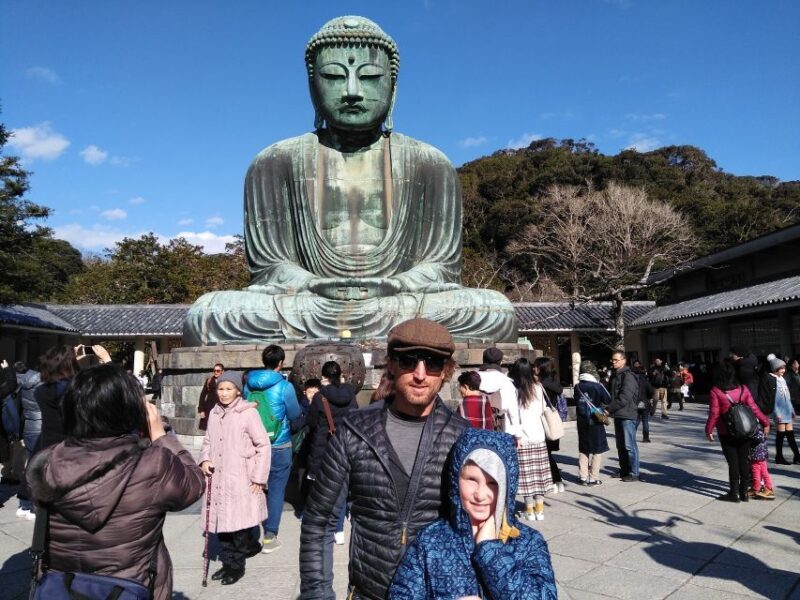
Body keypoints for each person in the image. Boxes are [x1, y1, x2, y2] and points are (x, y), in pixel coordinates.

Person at [183, 15, 517, 346]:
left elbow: (440, 267)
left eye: (370, 77)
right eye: (334, 76)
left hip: (402, 299)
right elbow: (270, 267)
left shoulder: (429, 163)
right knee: (208, 314)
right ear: (313, 87)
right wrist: (312, 284)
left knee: (493, 310)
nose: (353, 92)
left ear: (393, 86)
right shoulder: (274, 161)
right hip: (309, 301)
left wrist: (397, 285)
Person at [299, 317, 468, 599]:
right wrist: (317, 593)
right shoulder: (355, 430)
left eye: (433, 363)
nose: (420, 374)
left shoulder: (461, 437)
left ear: (446, 371)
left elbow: (480, 527)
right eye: (409, 361)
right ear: (390, 363)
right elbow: (319, 519)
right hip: (370, 590)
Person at [28, 363, 205, 600]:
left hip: (63, 587)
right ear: (131, 410)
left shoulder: (45, 462)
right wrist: (161, 436)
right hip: (131, 586)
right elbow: (194, 484)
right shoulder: (153, 463)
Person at [388, 428, 558, 600]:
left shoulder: (528, 542)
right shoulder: (431, 540)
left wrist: (490, 551)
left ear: (508, 486)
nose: (480, 494)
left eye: (493, 483)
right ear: (455, 479)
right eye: (471, 480)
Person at [199, 371, 270, 585]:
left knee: (237, 526)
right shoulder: (214, 413)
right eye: (221, 388)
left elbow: (263, 445)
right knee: (222, 525)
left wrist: (258, 477)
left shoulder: (247, 413)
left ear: (238, 391)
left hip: (240, 476)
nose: (224, 393)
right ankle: (227, 562)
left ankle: (236, 566)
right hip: (219, 477)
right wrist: (205, 459)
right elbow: (208, 441)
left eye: (229, 389)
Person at [244, 344, 301, 553]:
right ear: (281, 363)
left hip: (254, 444)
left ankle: (249, 533)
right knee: (276, 490)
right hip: (279, 442)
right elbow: (294, 414)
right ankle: (269, 536)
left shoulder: (248, 384)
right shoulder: (285, 386)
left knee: (254, 488)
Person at [304, 360, 358, 545]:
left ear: (324, 376)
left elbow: (310, 422)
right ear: (341, 374)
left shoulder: (320, 397)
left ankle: (325, 526)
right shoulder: (351, 394)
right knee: (342, 488)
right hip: (345, 445)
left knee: (325, 489)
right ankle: (339, 530)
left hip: (324, 446)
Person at [705, 359, 769, 502]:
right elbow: (754, 408)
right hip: (745, 430)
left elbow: (714, 414)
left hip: (726, 432)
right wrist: (765, 422)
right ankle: (744, 492)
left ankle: (734, 493)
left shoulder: (716, 391)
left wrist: (708, 430)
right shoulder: (743, 389)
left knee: (732, 463)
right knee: (743, 461)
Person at [508, 357, 552, 521]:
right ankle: (539, 509)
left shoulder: (514, 390)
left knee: (526, 476)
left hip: (522, 438)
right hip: (538, 435)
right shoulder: (538, 387)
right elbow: (542, 409)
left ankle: (529, 509)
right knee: (539, 473)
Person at [573, 360, 611, 485]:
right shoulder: (597, 386)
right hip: (595, 421)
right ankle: (593, 477)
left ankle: (582, 477)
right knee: (597, 449)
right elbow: (608, 399)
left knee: (584, 449)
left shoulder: (577, 386)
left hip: (582, 421)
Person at [759, 355, 800, 464]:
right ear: (775, 368)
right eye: (781, 368)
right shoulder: (772, 379)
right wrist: (776, 412)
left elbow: (787, 396)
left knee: (790, 435)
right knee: (780, 435)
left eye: (784, 368)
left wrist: (791, 409)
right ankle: (779, 457)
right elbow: (773, 398)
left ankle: (797, 456)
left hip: (787, 410)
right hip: (779, 412)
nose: (784, 370)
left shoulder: (782, 379)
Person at [533, 356, 565, 493]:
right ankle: (557, 481)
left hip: (543, 421)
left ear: (541, 368)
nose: (533, 369)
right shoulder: (554, 382)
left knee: (545, 454)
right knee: (548, 453)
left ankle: (555, 480)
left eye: (536, 366)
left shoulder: (541, 385)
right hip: (552, 421)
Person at [608, 351, 641, 482]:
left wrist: (609, 409)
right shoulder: (616, 376)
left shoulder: (628, 376)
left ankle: (634, 473)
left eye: (616, 360)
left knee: (629, 445)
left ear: (623, 360)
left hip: (628, 414)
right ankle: (624, 470)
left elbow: (624, 397)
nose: (613, 362)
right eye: (612, 360)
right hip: (619, 414)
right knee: (621, 445)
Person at [14, 361, 40, 519]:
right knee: (40, 469)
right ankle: (33, 507)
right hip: (42, 428)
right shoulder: (42, 384)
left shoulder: (20, 383)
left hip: (29, 427)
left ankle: (24, 504)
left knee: (30, 465)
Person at [478, 347, 517, 434]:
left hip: (477, 428)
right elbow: (513, 411)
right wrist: (518, 435)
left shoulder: (474, 379)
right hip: (502, 429)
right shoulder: (506, 382)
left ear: (483, 360)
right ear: (500, 362)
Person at [748, 424, 775, 500]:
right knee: (764, 472)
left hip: (756, 456)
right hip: (762, 456)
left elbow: (757, 438)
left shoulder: (758, 431)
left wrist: (749, 437)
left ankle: (756, 488)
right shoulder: (764, 430)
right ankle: (768, 488)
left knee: (755, 472)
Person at [633, 361, 656, 443]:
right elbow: (651, 392)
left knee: (637, 420)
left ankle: (632, 435)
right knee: (645, 421)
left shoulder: (633, 381)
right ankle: (646, 437)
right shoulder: (646, 381)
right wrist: (649, 398)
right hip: (645, 402)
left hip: (635, 402)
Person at [197, 363, 224, 431]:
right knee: (209, 429)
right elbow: (202, 395)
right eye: (214, 370)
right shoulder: (209, 381)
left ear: (222, 371)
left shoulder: (225, 381)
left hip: (222, 407)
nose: (216, 372)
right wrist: (201, 410)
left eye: (218, 371)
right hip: (209, 408)